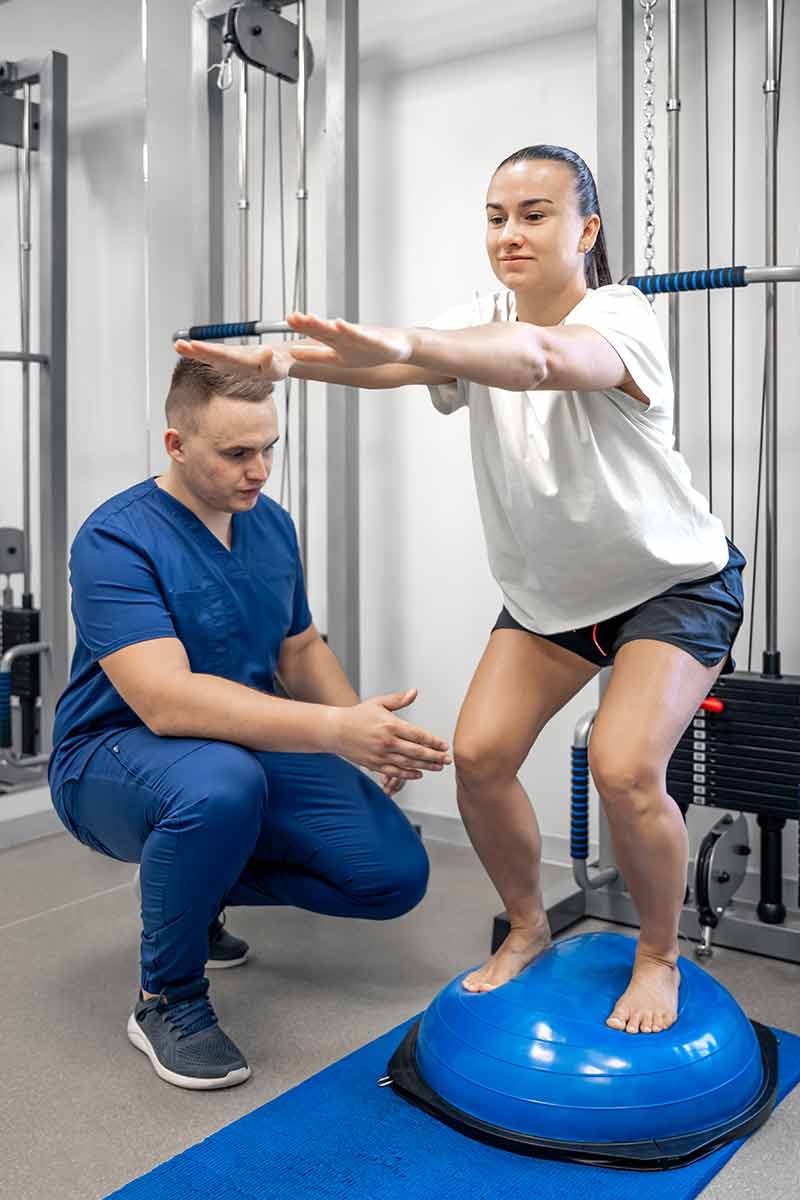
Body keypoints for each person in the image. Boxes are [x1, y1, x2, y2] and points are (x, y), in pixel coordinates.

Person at [176, 144, 746, 1037]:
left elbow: (537, 359)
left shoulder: (620, 315)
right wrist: (284, 365)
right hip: (553, 599)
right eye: (495, 215)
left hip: (674, 586)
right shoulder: (477, 319)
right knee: (479, 759)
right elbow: (395, 365)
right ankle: (525, 928)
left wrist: (410, 341)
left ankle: (659, 954)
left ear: (586, 228)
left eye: (534, 213)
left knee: (626, 768)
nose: (509, 233)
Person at [48, 359, 449, 1090]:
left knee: (391, 876)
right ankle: (166, 998)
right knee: (218, 786)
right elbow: (166, 702)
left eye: (269, 448)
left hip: (241, 748)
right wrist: (330, 731)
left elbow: (298, 646)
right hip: (113, 755)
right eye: (237, 453)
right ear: (176, 445)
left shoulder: (271, 526)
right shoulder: (115, 540)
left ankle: (192, 890)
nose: (259, 469)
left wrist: (365, 727)